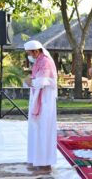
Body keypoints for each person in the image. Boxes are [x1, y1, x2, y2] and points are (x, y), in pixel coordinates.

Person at [24, 40, 57, 173]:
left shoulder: (46, 61)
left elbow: (43, 81)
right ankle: (37, 159)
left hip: (46, 100)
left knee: (44, 129)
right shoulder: (38, 61)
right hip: (39, 98)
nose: (29, 56)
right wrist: (30, 81)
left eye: (29, 53)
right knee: (37, 129)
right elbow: (35, 79)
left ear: (36, 51)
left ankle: (45, 162)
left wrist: (30, 81)